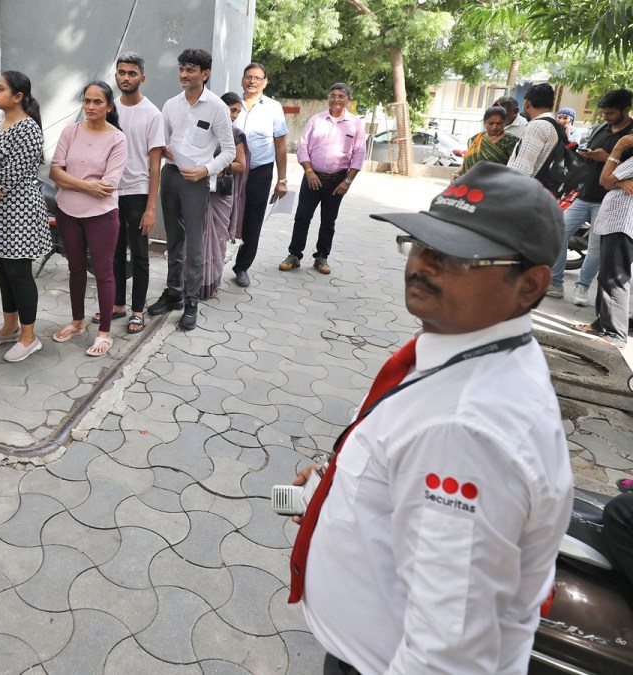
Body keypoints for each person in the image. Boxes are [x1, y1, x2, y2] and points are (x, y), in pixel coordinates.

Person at [291, 162, 572, 673]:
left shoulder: (466, 432)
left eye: (458, 258)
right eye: (420, 244)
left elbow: (449, 654)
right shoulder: (471, 349)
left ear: (529, 285)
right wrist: (348, 484)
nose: (423, 265)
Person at [146, 48, 237, 331]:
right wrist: (164, 149)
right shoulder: (171, 104)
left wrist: (206, 169)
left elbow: (230, 152)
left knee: (194, 244)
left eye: (191, 70)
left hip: (196, 182)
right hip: (171, 177)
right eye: (182, 69)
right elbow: (164, 139)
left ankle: (191, 300)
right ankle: (173, 292)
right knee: (173, 239)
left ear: (205, 74)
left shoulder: (217, 108)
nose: (184, 75)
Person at [0, 71, 53, 362]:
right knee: (2, 269)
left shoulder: (28, 129)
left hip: (19, 211)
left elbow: (10, 177)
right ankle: (9, 326)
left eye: (0, 88)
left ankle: (28, 336)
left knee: (19, 273)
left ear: (18, 96)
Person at [49, 82, 128, 356]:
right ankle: (77, 322)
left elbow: (108, 185)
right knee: (75, 268)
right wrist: (86, 186)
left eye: (97, 102)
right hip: (67, 211)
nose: (91, 107)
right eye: (87, 101)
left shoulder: (117, 138)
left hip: (101, 215)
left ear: (109, 106)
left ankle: (104, 333)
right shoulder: (70, 131)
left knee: (104, 273)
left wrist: (73, 183)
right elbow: (55, 172)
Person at [97, 52, 164, 335]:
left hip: (137, 193)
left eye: (131, 73)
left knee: (139, 254)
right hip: (111, 193)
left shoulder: (153, 114)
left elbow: (155, 165)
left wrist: (151, 208)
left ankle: (137, 311)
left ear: (142, 78)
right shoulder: (111, 110)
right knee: (113, 253)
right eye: (121, 72)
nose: (125, 77)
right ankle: (118, 306)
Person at [278, 83, 365, 276]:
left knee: (328, 221)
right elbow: (302, 148)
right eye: (333, 95)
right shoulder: (316, 120)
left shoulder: (356, 124)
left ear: (348, 99)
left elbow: (359, 156)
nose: (336, 99)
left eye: (341, 96)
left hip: (338, 180)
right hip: (312, 177)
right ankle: (294, 255)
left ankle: (321, 257)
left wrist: (347, 182)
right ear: (328, 97)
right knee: (302, 217)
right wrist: (309, 171)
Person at [560, 89, 633, 306]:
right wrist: (590, 155)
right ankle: (554, 282)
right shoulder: (602, 128)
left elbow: (627, 170)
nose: (605, 117)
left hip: (610, 200)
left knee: (595, 249)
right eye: (603, 113)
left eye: (610, 113)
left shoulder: (629, 137)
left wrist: (608, 158)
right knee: (557, 234)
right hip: (585, 193)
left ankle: (582, 286)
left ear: (626, 109)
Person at [231, 62, 288, 288]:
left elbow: (281, 146)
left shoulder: (273, 108)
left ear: (265, 82)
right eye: (248, 77)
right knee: (224, 214)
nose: (252, 81)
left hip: (260, 171)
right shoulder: (231, 104)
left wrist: (281, 180)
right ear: (242, 79)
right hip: (232, 170)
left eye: (257, 78)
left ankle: (242, 267)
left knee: (253, 221)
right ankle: (213, 264)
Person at [573, 134, 633, 346]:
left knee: (615, 277)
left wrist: (617, 149)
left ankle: (616, 334)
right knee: (607, 274)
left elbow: (605, 180)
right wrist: (620, 181)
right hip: (618, 222)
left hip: (623, 222)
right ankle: (602, 324)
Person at [197, 92, 248, 299]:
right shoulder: (205, 128)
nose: (234, 115)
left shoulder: (235, 134)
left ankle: (211, 283)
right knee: (194, 238)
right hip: (198, 190)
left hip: (220, 193)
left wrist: (214, 168)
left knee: (216, 239)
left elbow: (241, 164)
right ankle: (189, 282)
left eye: (237, 111)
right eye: (231, 109)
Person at [506, 83, 560, 184]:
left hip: (526, 191)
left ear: (527, 104)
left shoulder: (537, 126)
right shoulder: (554, 124)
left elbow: (522, 170)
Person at [455, 106, 519, 177]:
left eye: (499, 123)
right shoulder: (475, 139)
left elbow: (513, 167)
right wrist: (456, 173)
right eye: (491, 123)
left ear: (505, 123)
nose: (494, 127)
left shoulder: (511, 141)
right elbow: (466, 163)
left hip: (495, 184)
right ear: (484, 122)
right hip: (469, 182)